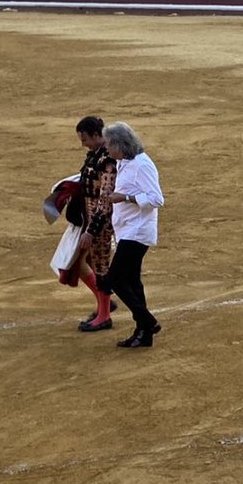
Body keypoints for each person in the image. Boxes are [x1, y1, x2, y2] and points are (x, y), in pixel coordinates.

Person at [100, 122, 164, 349]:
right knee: (132, 282)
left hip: (137, 232)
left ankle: (148, 322)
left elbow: (157, 199)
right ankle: (144, 333)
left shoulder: (142, 165)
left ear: (120, 144)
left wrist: (125, 198)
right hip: (127, 230)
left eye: (108, 144)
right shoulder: (124, 162)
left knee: (114, 280)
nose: (106, 148)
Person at [75, 116, 118, 333]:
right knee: (86, 262)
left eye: (85, 139)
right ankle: (105, 305)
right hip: (90, 220)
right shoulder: (97, 156)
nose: (83, 143)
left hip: (100, 223)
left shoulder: (107, 161)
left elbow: (106, 200)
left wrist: (92, 230)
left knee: (101, 267)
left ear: (95, 135)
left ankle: (104, 316)